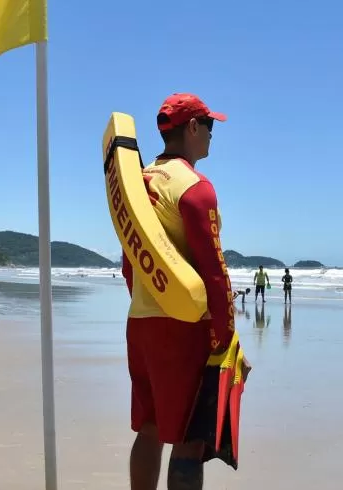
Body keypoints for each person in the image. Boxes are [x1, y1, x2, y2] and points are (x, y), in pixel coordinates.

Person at [122, 92, 248, 490]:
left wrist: (147, 299)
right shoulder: (195, 187)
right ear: (192, 127)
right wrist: (224, 338)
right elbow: (214, 270)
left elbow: (130, 260)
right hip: (183, 329)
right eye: (209, 127)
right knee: (191, 439)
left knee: (150, 426)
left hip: (141, 321)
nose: (212, 135)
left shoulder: (140, 178)